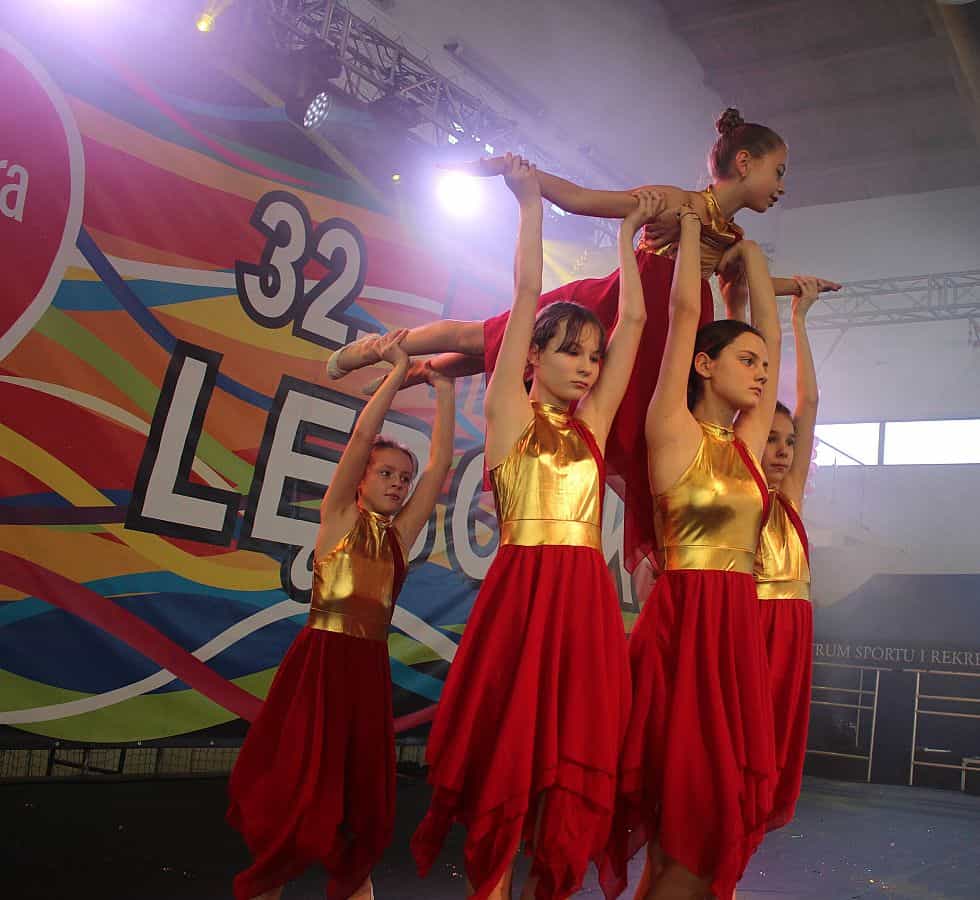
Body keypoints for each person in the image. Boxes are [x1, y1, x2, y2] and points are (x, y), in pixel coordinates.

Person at [327, 109, 839, 573]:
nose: (781, 186)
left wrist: (798, 287)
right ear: (745, 163)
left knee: (628, 435)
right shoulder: (679, 203)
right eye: (779, 172)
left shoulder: (732, 237)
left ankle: (420, 371)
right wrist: (518, 173)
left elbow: (748, 281)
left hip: (666, 338)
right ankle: (379, 347)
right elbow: (581, 199)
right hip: (620, 307)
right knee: (487, 338)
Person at [411, 157, 655, 898]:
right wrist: (528, 203)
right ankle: (489, 886)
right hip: (522, 596)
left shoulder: (593, 425)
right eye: (571, 351)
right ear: (532, 357)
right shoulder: (508, 414)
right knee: (508, 753)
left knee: (575, 754)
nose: (587, 367)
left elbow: (636, 322)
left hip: (585, 604)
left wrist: (630, 237)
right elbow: (524, 295)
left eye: (594, 357)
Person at [227, 330, 456, 900]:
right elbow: (361, 437)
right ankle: (272, 878)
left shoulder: (399, 536)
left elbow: (440, 468)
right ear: (361, 480)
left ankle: (356, 883)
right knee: (295, 786)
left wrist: (445, 388)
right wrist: (398, 373)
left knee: (358, 796)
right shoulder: (338, 519)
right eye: (386, 474)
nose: (398, 484)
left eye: (402, 479)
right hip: (320, 665)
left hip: (365, 673)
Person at [607, 200, 781, 900]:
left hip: (735, 635)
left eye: (764, 365)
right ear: (705, 365)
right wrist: (688, 229)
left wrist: (752, 256)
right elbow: (682, 317)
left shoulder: (749, 444)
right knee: (684, 804)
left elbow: (771, 334)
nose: (762, 373)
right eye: (747, 361)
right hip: (683, 631)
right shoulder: (672, 429)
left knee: (716, 812)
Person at [755, 274, 820, 832]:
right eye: (771, 439)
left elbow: (810, 402)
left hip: (795, 622)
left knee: (780, 730)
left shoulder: (791, 494)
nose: (782, 451)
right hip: (754, 619)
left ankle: (759, 807)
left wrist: (800, 318)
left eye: (789, 442)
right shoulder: (741, 493)